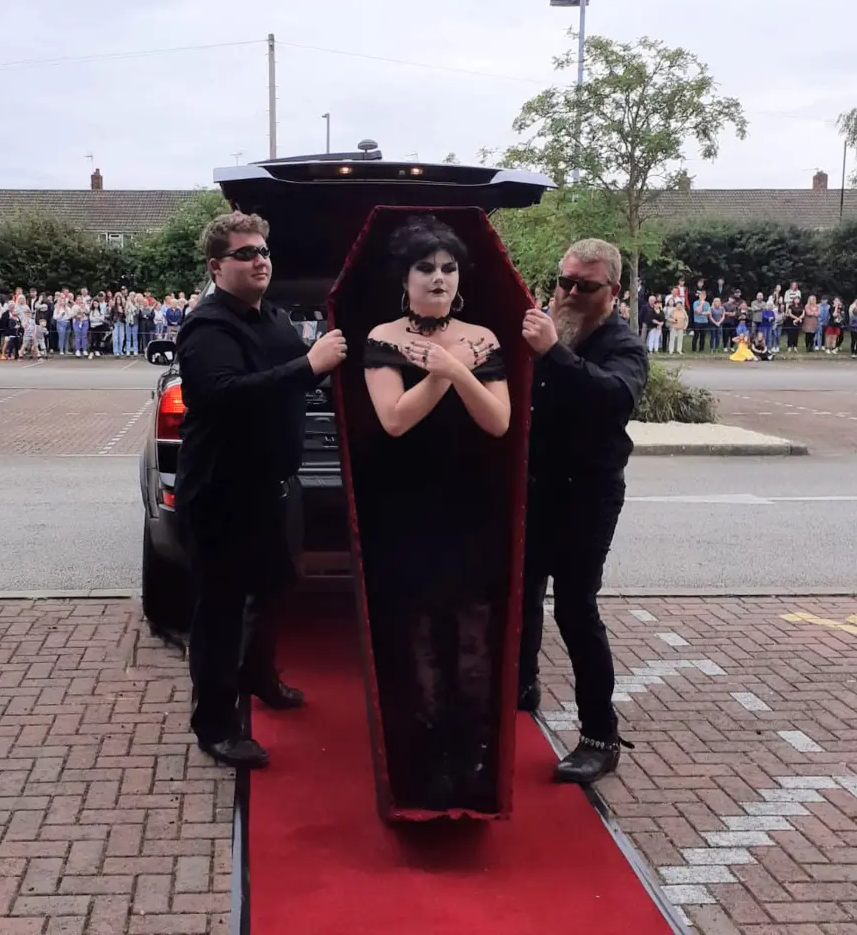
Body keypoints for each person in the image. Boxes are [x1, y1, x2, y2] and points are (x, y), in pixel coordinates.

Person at [173, 211, 347, 768]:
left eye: (264, 251)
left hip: (275, 487)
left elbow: (298, 376)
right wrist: (309, 365)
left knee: (277, 585)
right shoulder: (207, 328)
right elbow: (224, 394)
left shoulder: (271, 318)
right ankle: (215, 725)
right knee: (220, 611)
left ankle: (257, 675)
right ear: (216, 266)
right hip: (222, 493)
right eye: (245, 253)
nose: (259, 261)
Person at [359, 215, 510, 811]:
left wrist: (454, 368)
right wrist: (445, 372)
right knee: (417, 628)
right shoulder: (384, 337)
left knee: (473, 629)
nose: (438, 278)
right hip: (407, 502)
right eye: (425, 268)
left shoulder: (482, 337)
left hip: (470, 502)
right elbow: (394, 419)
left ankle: (472, 756)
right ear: (405, 277)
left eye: (448, 268)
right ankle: (428, 760)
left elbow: (498, 421)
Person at [519, 238, 649, 785]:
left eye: (585, 286)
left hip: (587, 495)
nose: (570, 293)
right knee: (520, 593)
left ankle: (600, 736)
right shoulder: (547, 327)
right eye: (564, 281)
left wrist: (555, 353)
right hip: (535, 489)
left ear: (613, 291)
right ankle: (521, 685)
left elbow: (613, 398)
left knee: (575, 611)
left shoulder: (623, 344)